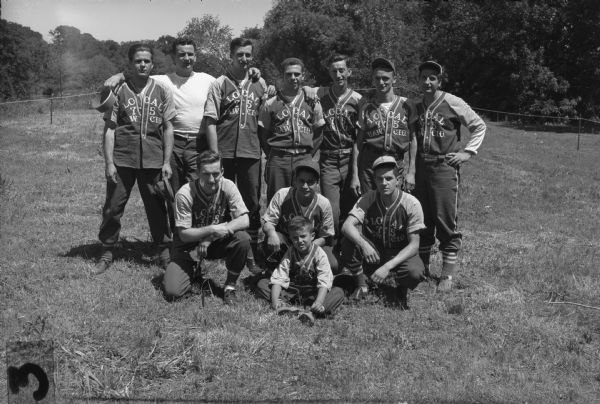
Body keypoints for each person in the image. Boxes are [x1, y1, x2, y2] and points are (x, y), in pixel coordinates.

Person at [95, 43, 175, 275]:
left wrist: (167, 161)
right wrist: (109, 162)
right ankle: (107, 250)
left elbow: (169, 128)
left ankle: (163, 250)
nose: (142, 64)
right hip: (123, 159)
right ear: (130, 64)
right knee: (113, 206)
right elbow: (110, 129)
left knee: (157, 206)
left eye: (146, 61)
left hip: (153, 158)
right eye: (138, 61)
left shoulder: (161, 90)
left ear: (152, 64)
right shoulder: (119, 90)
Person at [104, 37, 216, 195]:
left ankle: (197, 220)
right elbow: (139, 72)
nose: (186, 58)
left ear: (196, 56)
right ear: (173, 58)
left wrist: (255, 75)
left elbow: (230, 87)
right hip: (173, 143)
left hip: (197, 143)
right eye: (181, 54)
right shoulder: (162, 80)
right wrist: (119, 76)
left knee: (197, 189)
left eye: (190, 54)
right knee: (172, 191)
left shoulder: (208, 80)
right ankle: (176, 220)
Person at [410, 60, 486, 291]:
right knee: (422, 219)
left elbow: (479, 125)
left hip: (444, 166)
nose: (427, 82)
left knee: (445, 218)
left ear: (439, 81)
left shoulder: (452, 102)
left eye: (432, 78)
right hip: (423, 164)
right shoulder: (416, 105)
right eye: (424, 77)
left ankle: (447, 275)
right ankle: (422, 269)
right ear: (419, 79)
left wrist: (467, 153)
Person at [204, 37, 268, 264]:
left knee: (251, 200)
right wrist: (215, 157)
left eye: (248, 55)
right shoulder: (219, 83)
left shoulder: (260, 84)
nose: (244, 59)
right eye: (239, 55)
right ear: (230, 56)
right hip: (225, 151)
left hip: (251, 150)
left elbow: (265, 119)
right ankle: (224, 245)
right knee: (222, 199)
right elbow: (210, 122)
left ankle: (252, 249)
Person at [162, 151, 251, 304]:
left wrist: (210, 237)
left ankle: (229, 286)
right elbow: (183, 235)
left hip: (215, 242)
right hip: (187, 246)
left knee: (243, 239)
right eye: (206, 174)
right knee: (173, 292)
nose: (212, 179)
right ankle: (193, 273)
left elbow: (244, 219)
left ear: (222, 171)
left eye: (216, 174)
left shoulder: (228, 186)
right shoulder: (185, 194)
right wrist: (212, 229)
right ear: (197, 173)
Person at [339, 156, 425, 309]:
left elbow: (414, 245)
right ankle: (362, 284)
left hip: (399, 253)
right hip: (375, 252)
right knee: (348, 241)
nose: (384, 183)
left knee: (414, 272)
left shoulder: (411, 203)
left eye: (389, 178)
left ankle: (401, 289)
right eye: (379, 179)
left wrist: (388, 267)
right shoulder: (368, 198)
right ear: (374, 180)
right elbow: (347, 226)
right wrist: (365, 246)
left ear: (398, 179)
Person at [255, 216, 345, 326]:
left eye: (303, 236)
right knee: (263, 284)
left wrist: (319, 301)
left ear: (312, 236)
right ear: (290, 238)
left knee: (338, 292)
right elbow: (279, 277)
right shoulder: (290, 252)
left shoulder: (319, 254)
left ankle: (313, 313)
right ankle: (282, 306)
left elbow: (324, 281)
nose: (299, 241)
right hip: (292, 291)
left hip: (313, 292)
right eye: (295, 238)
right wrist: (274, 301)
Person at [258, 57, 326, 202]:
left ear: (303, 76)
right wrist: (273, 154)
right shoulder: (270, 103)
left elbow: (319, 132)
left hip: (303, 157)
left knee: (304, 200)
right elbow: (263, 134)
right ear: (282, 76)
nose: (293, 78)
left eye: (296, 74)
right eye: (288, 74)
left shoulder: (312, 101)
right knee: (277, 201)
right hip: (279, 159)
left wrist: (308, 154)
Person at [315, 54, 362, 242]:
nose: (338, 74)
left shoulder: (358, 100)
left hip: (350, 158)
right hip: (328, 158)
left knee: (351, 210)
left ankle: (349, 252)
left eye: (342, 70)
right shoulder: (321, 96)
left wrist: (356, 171)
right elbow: (298, 88)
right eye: (334, 70)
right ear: (329, 72)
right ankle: (332, 249)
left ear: (348, 72)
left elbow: (360, 137)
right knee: (331, 211)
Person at [261, 160, 337, 273]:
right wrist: (271, 233)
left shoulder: (324, 203)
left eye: (310, 182)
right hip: (286, 242)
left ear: (317, 183)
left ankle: (306, 273)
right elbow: (268, 222)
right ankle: (274, 271)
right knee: (271, 237)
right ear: (295, 181)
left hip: (311, 243)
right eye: (301, 181)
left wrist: (308, 248)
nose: (305, 186)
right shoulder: (282, 195)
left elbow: (325, 236)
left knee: (333, 265)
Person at [356, 58, 416, 193]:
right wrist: (355, 175)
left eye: (385, 78)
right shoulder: (366, 107)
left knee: (393, 204)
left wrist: (411, 171)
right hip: (370, 163)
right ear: (373, 80)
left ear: (394, 79)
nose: (381, 82)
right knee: (370, 205)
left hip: (395, 161)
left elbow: (413, 140)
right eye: (377, 78)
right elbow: (358, 143)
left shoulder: (406, 105)